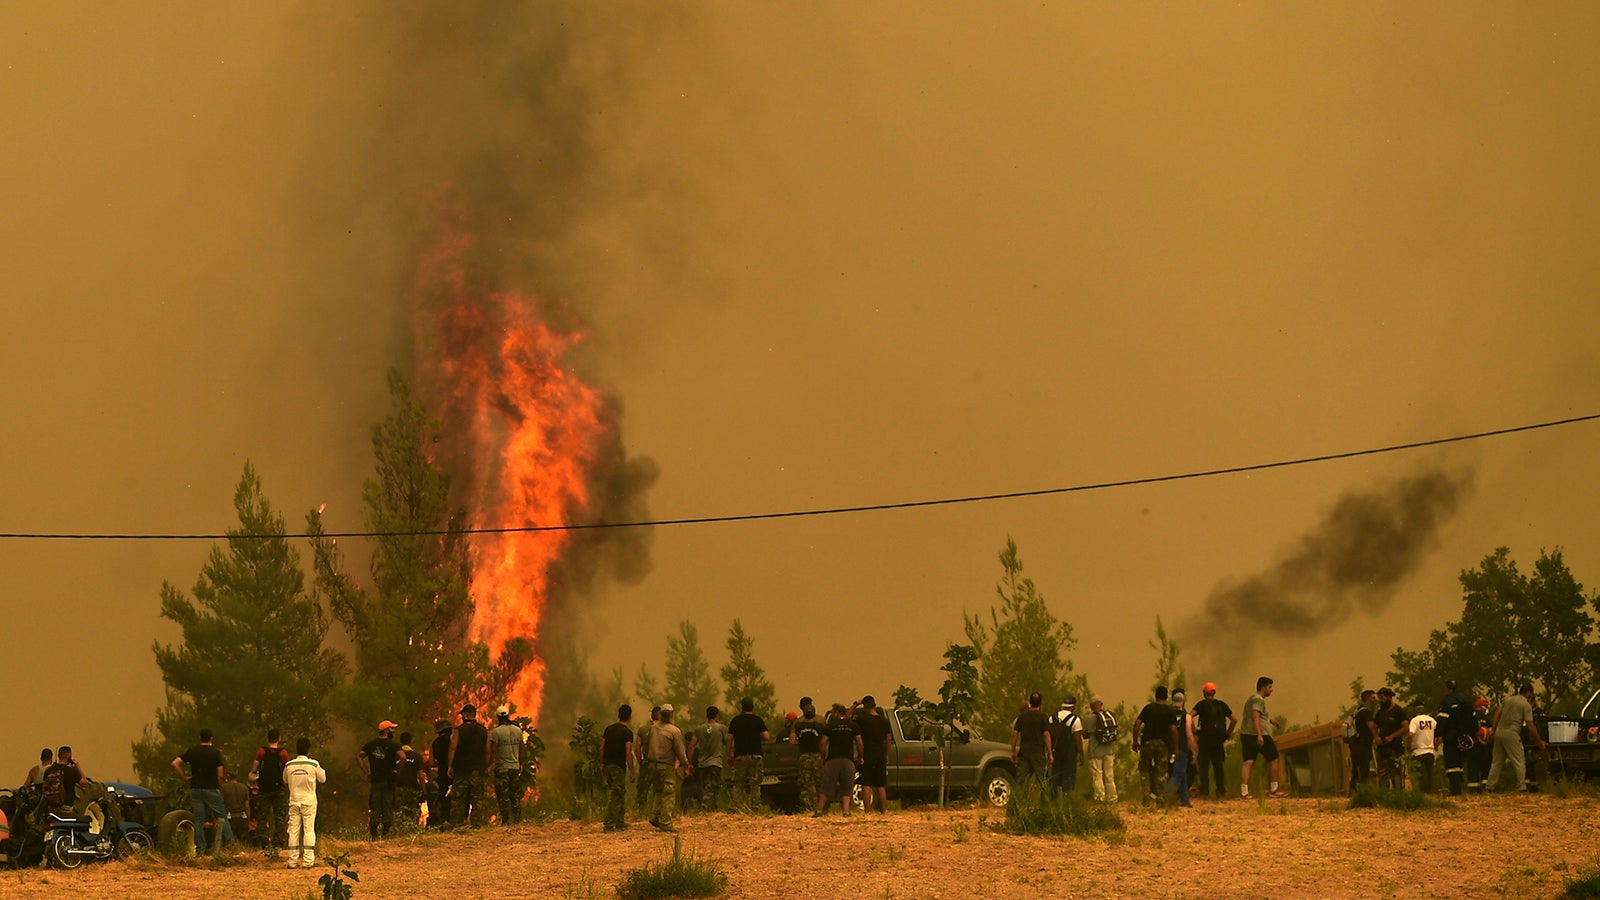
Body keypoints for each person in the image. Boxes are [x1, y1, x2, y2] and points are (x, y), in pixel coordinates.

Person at [172, 729, 235, 854]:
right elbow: (220, 774)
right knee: (221, 816)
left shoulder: (192, 751)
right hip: (211, 788)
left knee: (199, 820)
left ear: (199, 737)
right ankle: (231, 844)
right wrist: (219, 786)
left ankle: (200, 849)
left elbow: (175, 763)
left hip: (195, 789)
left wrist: (184, 777)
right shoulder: (215, 753)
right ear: (211, 738)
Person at [1486, 683, 1546, 793]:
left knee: (1496, 762)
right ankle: (1521, 787)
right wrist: (1539, 741)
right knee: (1519, 761)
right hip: (1512, 733)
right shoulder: (1526, 705)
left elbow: (1497, 714)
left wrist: (1493, 731)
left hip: (1499, 732)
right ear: (1529, 693)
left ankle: (1490, 787)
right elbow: (1530, 725)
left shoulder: (1507, 700)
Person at [1239, 677, 1288, 799]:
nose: (1271, 690)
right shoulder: (1258, 700)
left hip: (1246, 734)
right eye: (1270, 687)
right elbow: (1255, 716)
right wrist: (1260, 735)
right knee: (1274, 758)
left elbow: (1259, 715)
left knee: (1248, 761)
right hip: (1259, 735)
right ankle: (1274, 789)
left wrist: (1270, 721)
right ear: (1264, 687)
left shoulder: (1251, 699)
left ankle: (1244, 792)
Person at [283, 738, 325, 869]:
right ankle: (308, 861)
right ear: (308, 750)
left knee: (293, 831)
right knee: (309, 830)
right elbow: (323, 779)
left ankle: (292, 861)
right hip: (309, 801)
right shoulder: (313, 764)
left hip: (294, 801)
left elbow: (284, 780)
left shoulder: (289, 765)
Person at [645, 704, 689, 831]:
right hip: (666, 765)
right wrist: (685, 764)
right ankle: (665, 822)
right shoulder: (674, 731)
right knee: (668, 793)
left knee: (659, 790)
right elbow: (680, 750)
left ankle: (655, 815)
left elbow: (647, 745)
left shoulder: (653, 728)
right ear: (672, 714)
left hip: (652, 764)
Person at [358, 720, 405, 840]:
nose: (393, 731)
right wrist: (398, 772)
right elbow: (403, 757)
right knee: (387, 806)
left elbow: (359, 757)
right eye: (391, 729)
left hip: (375, 781)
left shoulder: (371, 745)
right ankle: (385, 833)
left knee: (375, 806)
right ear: (386, 730)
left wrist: (367, 772)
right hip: (389, 781)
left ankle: (373, 834)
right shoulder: (394, 745)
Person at [815, 703, 862, 817]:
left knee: (826, 786)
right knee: (847, 787)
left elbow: (823, 743)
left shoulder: (830, 726)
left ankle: (819, 810)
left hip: (833, 760)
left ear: (836, 712)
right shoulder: (853, 726)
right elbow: (860, 743)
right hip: (848, 760)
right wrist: (860, 756)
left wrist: (822, 757)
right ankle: (846, 811)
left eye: (832, 711)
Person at [1190, 683, 1236, 799]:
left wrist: (1195, 730)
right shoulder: (1222, 705)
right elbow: (1234, 719)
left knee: (1204, 767)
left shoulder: (1201, 704)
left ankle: (1204, 791)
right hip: (1218, 741)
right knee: (1218, 766)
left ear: (1204, 693)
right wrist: (1227, 733)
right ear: (1214, 692)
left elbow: (1189, 716)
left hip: (1205, 739)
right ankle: (1221, 791)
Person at [1134, 686, 1178, 803]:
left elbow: (1137, 723)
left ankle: (1146, 795)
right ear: (1166, 696)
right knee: (1161, 770)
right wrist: (1176, 748)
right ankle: (1160, 797)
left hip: (1147, 742)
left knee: (1145, 769)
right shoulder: (1170, 711)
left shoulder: (1148, 708)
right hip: (1162, 743)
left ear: (1155, 695)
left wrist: (1135, 741)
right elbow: (1174, 730)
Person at [449, 704, 491, 827]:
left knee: (458, 799)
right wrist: (486, 766)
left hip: (462, 770)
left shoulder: (458, 730)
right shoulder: (484, 731)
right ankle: (477, 825)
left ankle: (457, 825)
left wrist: (450, 766)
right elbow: (488, 751)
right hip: (478, 770)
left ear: (465, 715)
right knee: (478, 800)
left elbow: (453, 748)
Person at [726, 698, 771, 811]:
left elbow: (729, 739)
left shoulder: (736, 720)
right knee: (755, 783)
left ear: (742, 707)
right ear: (752, 707)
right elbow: (766, 736)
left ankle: (735, 806)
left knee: (738, 782)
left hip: (740, 755)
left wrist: (728, 754)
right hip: (755, 755)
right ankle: (755, 807)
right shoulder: (758, 720)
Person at [600, 704, 636, 832]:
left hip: (608, 765)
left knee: (620, 792)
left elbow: (602, 747)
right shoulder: (627, 733)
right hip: (618, 766)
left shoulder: (608, 729)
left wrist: (602, 764)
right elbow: (628, 753)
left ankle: (620, 822)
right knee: (617, 794)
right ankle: (609, 824)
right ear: (630, 717)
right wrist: (632, 771)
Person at [252, 730, 290, 848]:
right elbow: (288, 769)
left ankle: (262, 839)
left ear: (268, 738)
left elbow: (254, 769)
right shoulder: (283, 753)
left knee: (263, 815)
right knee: (279, 816)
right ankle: (278, 841)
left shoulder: (261, 751)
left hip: (264, 789)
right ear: (279, 739)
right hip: (278, 789)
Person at [1010, 692, 1052, 795]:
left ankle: (1016, 802)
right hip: (1038, 752)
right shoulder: (1043, 717)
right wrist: (1050, 753)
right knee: (1043, 780)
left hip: (1024, 752)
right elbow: (1046, 735)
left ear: (1030, 702)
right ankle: (1045, 802)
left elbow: (1014, 734)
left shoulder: (1022, 717)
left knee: (1020, 781)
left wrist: (1013, 751)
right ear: (1040, 703)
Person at [490, 706, 525, 826]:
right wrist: (521, 764)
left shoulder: (496, 732)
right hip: (515, 767)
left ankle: (505, 821)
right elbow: (522, 748)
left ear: (498, 717)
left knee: (503, 796)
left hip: (502, 768)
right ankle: (517, 820)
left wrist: (489, 765)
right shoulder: (518, 730)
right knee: (515, 795)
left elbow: (493, 751)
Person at [858, 696, 894, 813]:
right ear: (875, 705)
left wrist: (856, 703)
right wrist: (886, 754)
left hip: (868, 754)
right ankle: (883, 810)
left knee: (866, 783)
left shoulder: (862, 719)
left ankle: (868, 810)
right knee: (881, 784)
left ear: (864, 706)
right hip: (880, 754)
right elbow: (888, 739)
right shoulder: (884, 721)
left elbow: (848, 716)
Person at [688, 706, 728, 811]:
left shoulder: (699, 729)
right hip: (715, 762)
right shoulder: (721, 728)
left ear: (707, 715)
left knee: (707, 787)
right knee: (714, 787)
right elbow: (728, 743)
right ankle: (704, 808)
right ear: (717, 715)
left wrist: (690, 763)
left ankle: (712, 810)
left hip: (702, 764)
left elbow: (691, 746)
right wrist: (730, 755)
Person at [1436, 679, 1470, 796]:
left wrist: (1437, 734)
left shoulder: (1447, 701)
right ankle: (1459, 788)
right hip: (1464, 737)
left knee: (1452, 764)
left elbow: (1442, 719)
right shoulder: (1465, 700)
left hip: (1450, 736)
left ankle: (1455, 791)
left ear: (1447, 688)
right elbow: (1472, 719)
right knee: (1460, 764)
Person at [790, 703, 827, 811]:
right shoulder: (820, 726)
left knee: (805, 783)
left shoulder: (798, 725)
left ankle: (807, 807)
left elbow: (792, 741)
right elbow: (823, 742)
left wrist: (801, 743)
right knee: (820, 783)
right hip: (817, 756)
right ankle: (821, 807)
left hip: (804, 756)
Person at [1046, 697, 1083, 797]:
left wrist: (1049, 752)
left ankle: (1053, 799)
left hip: (1055, 751)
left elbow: (1047, 735)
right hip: (1069, 753)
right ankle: (1067, 799)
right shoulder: (1075, 720)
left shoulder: (1052, 718)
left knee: (1055, 776)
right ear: (1073, 706)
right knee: (1068, 776)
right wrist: (1081, 754)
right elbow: (1077, 739)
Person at [1373, 688, 1408, 790]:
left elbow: (1405, 727)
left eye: (1382, 698)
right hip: (1382, 749)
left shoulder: (1398, 711)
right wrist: (1376, 736)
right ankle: (1384, 794)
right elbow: (1374, 726)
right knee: (1382, 774)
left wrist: (1392, 736)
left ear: (1389, 697)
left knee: (1396, 774)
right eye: (1379, 698)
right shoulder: (1380, 712)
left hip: (1395, 749)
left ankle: (1398, 794)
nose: (1380, 701)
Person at [1085, 697, 1119, 803]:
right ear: (1101, 704)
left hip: (1095, 751)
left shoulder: (1088, 718)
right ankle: (1112, 798)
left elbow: (1085, 735)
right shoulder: (1109, 717)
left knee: (1097, 775)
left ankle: (1100, 798)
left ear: (1091, 706)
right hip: (1108, 750)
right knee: (1109, 775)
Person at [1167, 690, 1196, 808]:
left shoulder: (1168, 714)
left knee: (1182, 773)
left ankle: (1185, 800)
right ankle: (1165, 797)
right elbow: (1189, 734)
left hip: (1170, 748)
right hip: (1181, 748)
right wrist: (1193, 750)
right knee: (1178, 774)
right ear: (1183, 702)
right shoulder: (1187, 717)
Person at [1348, 689, 1378, 791]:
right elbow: (1371, 726)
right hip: (1363, 745)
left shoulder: (1357, 711)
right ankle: (1363, 790)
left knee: (1356, 769)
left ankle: (1353, 790)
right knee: (1364, 769)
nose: (1374, 701)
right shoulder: (1366, 712)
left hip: (1354, 744)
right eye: (1373, 698)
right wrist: (1377, 736)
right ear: (1368, 699)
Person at [426, 719, 453, 828]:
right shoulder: (454, 739)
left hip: (442, 774)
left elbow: (431, 763)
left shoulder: (435, 743)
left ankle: (445, 821)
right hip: (455, 772)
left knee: (444, 799)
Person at [396, 731, 423, 829]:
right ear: (410, 741)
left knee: (399, 812)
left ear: (400, 741)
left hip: (398, 789)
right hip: (413, 789)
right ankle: (412, 830)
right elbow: (420, 775)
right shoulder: (417, 756)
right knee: (413, 812)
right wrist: (424, 791)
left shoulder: (395, 755)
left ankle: (399, 830)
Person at [635, 706, 660, 812]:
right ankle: (657, 811)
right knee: (659, 790)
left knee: (642, 790)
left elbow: (637, 748)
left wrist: (640, 762)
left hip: (646, 761)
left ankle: (639, 812)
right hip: (660, 762)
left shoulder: (643, 729)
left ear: (652, 716)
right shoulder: (666, 729)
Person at [1409, 703, 1438, 792]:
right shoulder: (1432, 720)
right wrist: (1435, 745)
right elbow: (1438, 736)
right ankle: (1431, 793)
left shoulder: (1414, 720)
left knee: (1422, 776)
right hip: (1431, 752)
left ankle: (1424, 794)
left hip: (1418, 752)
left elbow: (1410, 734)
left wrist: (1408, 746)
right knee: (1430, 775)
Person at [1466, 698, 1493, 793]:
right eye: (1486, 706)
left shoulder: (1469, 717)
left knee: (1473, 768)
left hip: (1472, 747)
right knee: (1486, 768)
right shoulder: (1487, 718)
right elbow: (1491, 732)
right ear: (1481, 707)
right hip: (1485, 748)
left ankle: (1473, 789)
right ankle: (1486, 787)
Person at [221, 770, 251, 846]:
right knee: (243, 841)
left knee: (229, 842)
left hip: (229, 817)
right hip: (242, 816)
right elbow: (247, 806)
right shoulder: (244, 787)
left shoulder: (224, 787)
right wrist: (248, 819)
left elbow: (221, 804)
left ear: (228, 777)